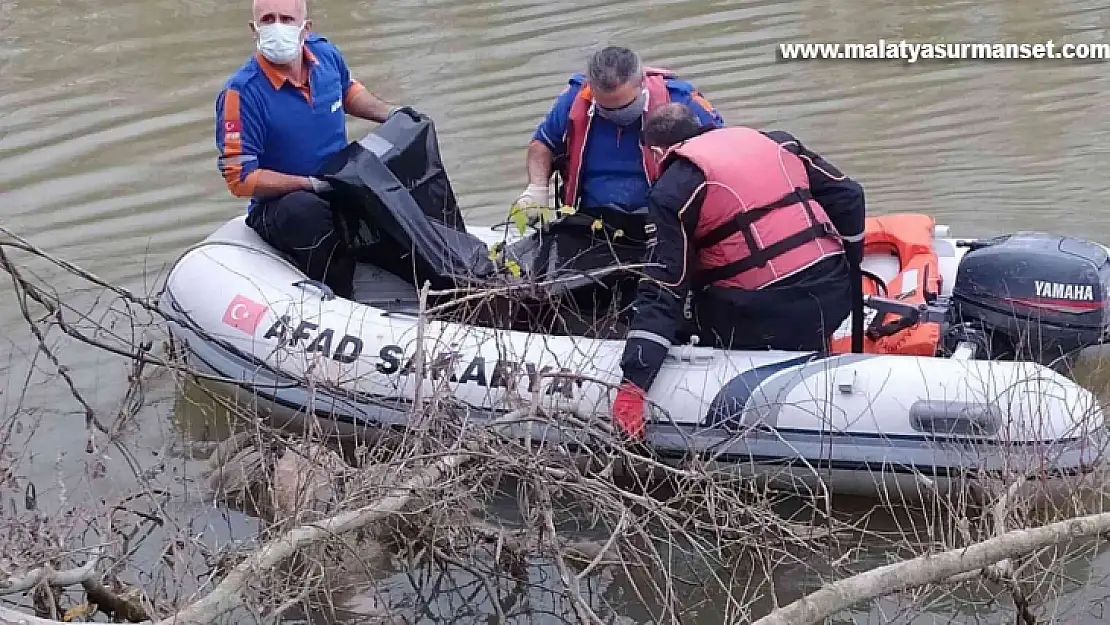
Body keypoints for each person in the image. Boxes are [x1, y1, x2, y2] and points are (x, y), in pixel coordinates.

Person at [611, 103, 867, 439]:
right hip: (835, 295)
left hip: (763, 316)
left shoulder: (673, 190)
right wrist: (851, 267)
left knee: (679, 309)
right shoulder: (777, 142)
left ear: (656, 151)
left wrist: (633, 386)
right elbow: (850, 195)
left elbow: (664, 288)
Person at [214, 0, 414, 298]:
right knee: (304, 210)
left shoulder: (326, 55)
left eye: (286, 18)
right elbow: (239, 178)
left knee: (392, 181)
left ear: (305, 28)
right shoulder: (241, 93)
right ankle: (336, 294)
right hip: (281, 206)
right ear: (253, 29)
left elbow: (347, 90)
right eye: (267, 19)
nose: (277, 27)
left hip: (338, 183)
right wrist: (309, 185)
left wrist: (393, 113)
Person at [511, 46, 724, 228]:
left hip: (664, 220)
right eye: (606, 109)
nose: (616, 115)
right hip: (592, 222)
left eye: (625, 106)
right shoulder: (574, 100)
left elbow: (722, 152)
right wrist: (537, 188)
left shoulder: (681, 100)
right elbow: (543, 144)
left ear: (642, 83)